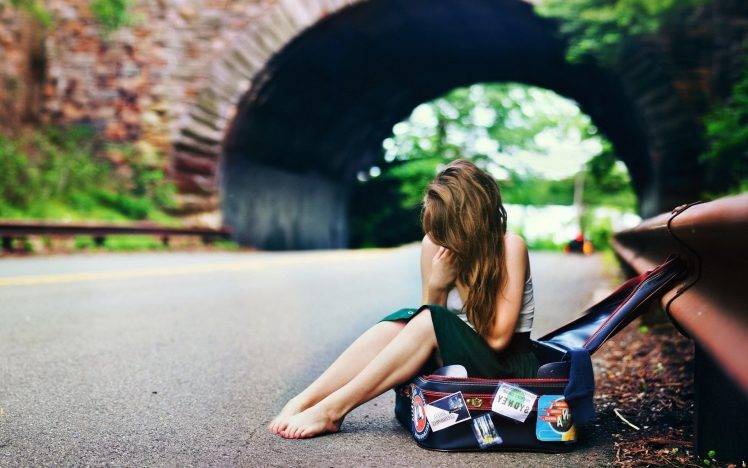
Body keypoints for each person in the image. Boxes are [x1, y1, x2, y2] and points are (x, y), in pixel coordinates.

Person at [268, 159, 539, 439]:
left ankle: (332, 410)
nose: (441, 237)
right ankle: (304, 401)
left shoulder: (509, 247)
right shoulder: (434, 243)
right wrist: (437, 286)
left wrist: (457, 280)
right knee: (399, 322)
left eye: (448, 228)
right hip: (458, 361)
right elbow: (426, 319)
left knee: (423, 321)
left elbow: (497, 339)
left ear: (469, 221)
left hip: (505, 369)